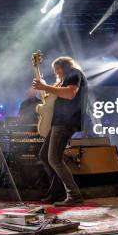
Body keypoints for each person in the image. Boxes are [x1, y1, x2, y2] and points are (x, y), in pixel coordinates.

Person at [32, 56, 88, 207]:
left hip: (66, 122)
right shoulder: (65, 79)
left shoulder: (74, 74)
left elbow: (70, 93)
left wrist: (45, 87)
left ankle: (74, 195)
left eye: (58, 68)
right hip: (59, 122)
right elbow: (52, 96)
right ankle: (58, 191)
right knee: (44, 156)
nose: (57, 72)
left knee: (54, 159)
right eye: (55, 70)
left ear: (66, 66)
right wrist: (44, 86)